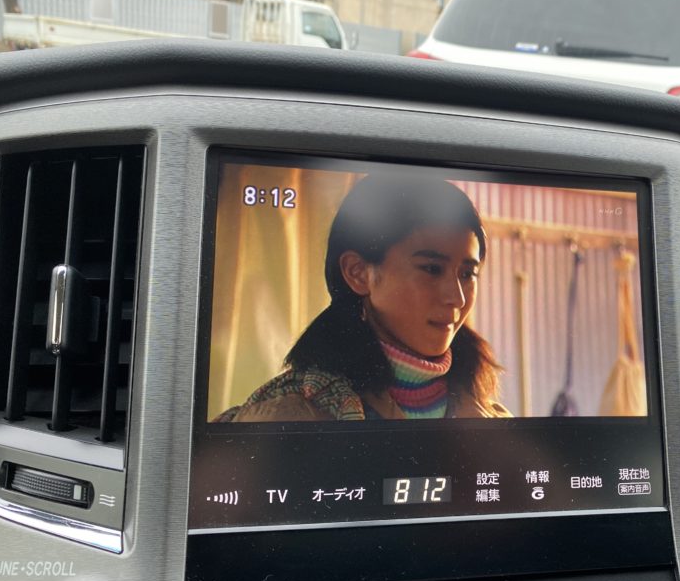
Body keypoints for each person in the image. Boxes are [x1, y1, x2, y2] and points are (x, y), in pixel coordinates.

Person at [215, 173, 509, 421]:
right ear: (358, 273)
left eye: (467, 274)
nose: (457, 298)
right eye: (432, 269)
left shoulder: (492, 418)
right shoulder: (289, 415)